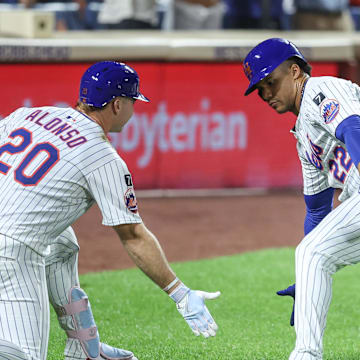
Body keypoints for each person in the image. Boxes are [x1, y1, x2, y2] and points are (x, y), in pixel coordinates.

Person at [0, 61, 220, 360]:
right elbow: (133, 237)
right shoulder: (103, 157)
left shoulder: (29, 114)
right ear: (117, 104)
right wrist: (180, 293)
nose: (134, 109)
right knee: (24, 356)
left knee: (62, 242)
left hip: (11, 238)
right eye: (133, 101)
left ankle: (84, 348)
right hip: (12, 253)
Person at [243, 38, 360, 359]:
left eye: (271, 82)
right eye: (260, 88)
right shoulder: (304, 136)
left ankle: (306, 355)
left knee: (312, 252)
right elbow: (318, 208)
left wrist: (311, 258)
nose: (266, 94)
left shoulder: (322, 90)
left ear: (295, 72)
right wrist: (308, 280)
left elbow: (353, 128)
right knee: (313, 254)